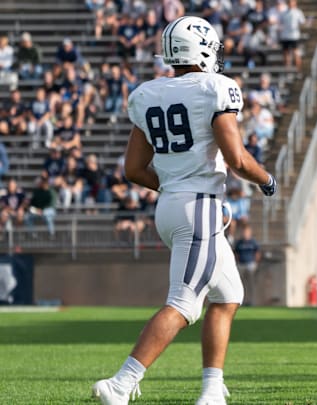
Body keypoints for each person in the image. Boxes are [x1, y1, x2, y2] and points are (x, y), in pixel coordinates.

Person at [91, 16, 277, 405]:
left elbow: (133, 169)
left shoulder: (146, 93)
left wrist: (175, 185)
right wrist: (267, 180)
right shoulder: (216, 87)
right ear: (205, 49)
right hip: (201, 208)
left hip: (171, 206)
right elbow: (237, 159)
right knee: (184, 302)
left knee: (227, 296)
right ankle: (121, 382)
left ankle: (212, 389)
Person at [234, 224, 261, 306]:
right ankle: (240, 301)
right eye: (244, 232)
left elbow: (257, 253)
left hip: (250, 265)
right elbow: (236, 253)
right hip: (241, 265)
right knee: (240, 284)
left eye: (247, 232)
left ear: (250, 232)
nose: (245, 233)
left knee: (251, 285)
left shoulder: (253, 242)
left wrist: (255, 263)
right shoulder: (239, 243)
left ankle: (252, 301)